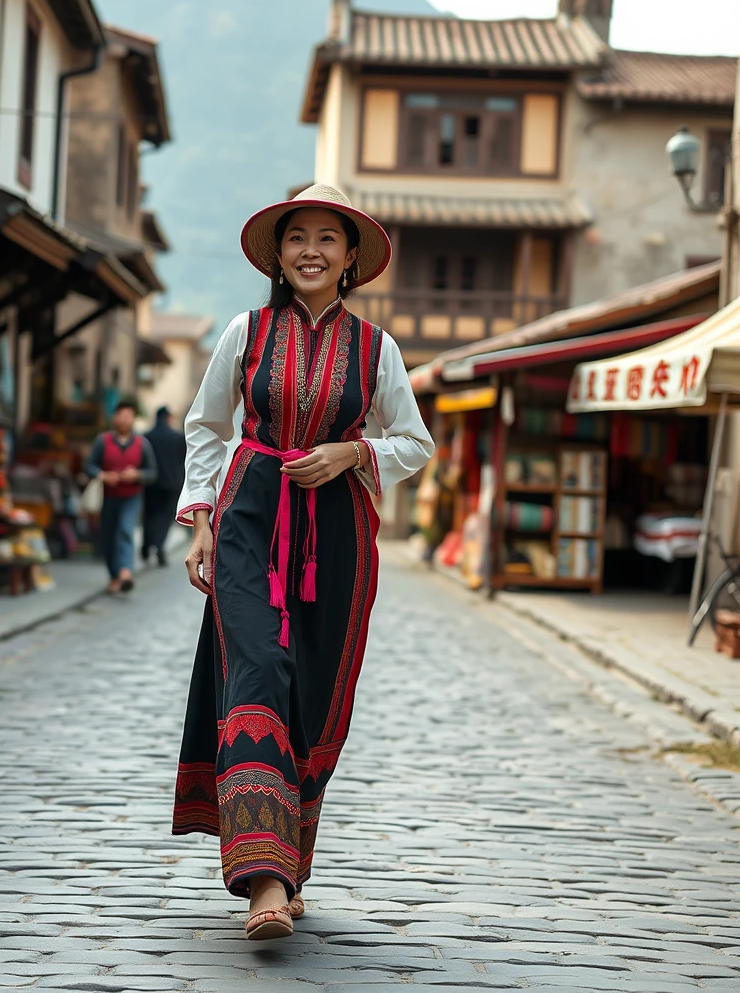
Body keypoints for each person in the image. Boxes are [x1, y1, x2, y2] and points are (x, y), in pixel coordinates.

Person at [171, 184, 434, 940]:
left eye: (328, 238)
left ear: (351, 259)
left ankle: (290, 861)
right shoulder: (244, 333)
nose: (311, 250)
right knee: (257, 673)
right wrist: (202, 524)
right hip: (251, 515)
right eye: (297, 238)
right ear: (278, 257)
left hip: (339, 533)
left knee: (313, 696)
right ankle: (265, 882)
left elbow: (414, 441)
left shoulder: (376, 348)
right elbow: (206, 425)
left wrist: (353, 451)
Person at [86, 400, 158, 593]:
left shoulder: (142, 444)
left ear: (134, 420)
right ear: (115, 418)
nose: (125, 420)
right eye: (122, 416)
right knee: (109, 536)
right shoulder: (103, 441)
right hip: (108, 497)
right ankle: (114, 576)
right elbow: (89, 466)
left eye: (129, 416)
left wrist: (137, 475)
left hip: (131, 497)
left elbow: (152, 472)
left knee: (125, 530)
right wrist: (102, 475)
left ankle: (125, 572)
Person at [142, 407, 187, 566]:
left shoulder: (146, 437)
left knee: (149, 515)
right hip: (172, 483)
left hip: (150, 483)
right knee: (165, 516)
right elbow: (184, 460)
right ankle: (159, 545)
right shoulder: (178, 438)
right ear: (168, 418)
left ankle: (147, 545)